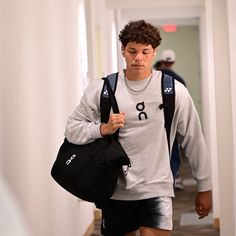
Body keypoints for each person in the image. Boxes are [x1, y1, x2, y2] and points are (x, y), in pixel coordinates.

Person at [65, 20, 212, 236]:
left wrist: (205, 187)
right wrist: (102, 129)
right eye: (132, 51)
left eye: (145, 51)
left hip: (157, 188)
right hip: (115, 190)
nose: (138, 58)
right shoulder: (103, 89)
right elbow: (72, 129)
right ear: (123, 50)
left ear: (154, 52)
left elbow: (194, 139)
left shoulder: (173, 90)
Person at [154, 50, 186, 191]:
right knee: (173, 149)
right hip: (173, 121)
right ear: (173, 62)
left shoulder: (152, 78)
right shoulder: (179, 80)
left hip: (155, 123)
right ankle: (174, 178)